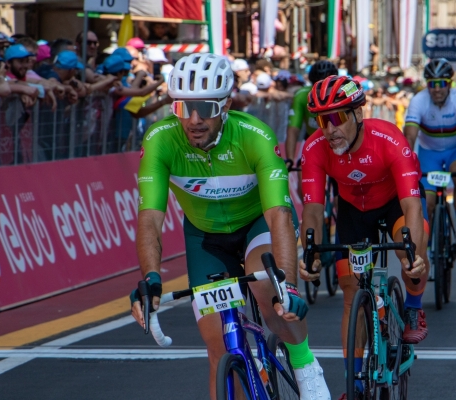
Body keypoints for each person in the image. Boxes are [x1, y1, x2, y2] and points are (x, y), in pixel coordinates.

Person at [129, 53, 331, 400]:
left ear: (225, 106)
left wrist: (289, 285)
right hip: (206, 237)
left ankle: (304, 364)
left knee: (269, 292)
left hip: (256, 225)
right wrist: (150, 277)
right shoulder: (160, 140)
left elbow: (279, 215)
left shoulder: (254, 136)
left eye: (205, 108)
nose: (193, 120)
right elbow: (150, 218)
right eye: (182, 108)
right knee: (218, 349)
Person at [300, 75, 429, 399]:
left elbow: (412, 205)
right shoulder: (314, 148)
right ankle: (354, 383)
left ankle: (413, 306)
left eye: (336, 118)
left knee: (411, 252)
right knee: (351, 294)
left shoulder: (388, 139)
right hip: (354, 210)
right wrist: (310, 253)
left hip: (395, 203)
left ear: (358, 113)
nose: (329, 129)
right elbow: (312, 210)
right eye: (322, 120)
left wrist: (414, 255)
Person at [404, 58, 456, 245]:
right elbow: (410, 136)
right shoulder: (418, 101)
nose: (437, 89)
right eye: (432, 84)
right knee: (427, 202)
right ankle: (427, 246)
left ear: (450, 84)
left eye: (442, 83)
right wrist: (405, 165)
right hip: (429, 153)